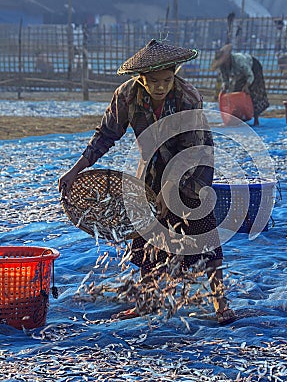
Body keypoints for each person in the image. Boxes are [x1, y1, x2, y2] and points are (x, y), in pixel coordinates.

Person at [58, 39, 236, 325]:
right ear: (140, 78)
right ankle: (147, 301)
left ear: (175, 73)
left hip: (193, 165)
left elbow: (189, 149)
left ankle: (220, 301)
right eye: (154, 81)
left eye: (167, 79)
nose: (161, 86)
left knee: (202, 231)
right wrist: (75, 170)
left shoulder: (188, 97)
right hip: (150, 166)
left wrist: (170, 192)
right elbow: (105, 135)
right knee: (146, 234)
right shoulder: (126, 96)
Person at [210, 44, 269, 126]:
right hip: (240, 74)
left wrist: (247, 85)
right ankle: (240, 116)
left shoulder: (239, 61)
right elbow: (225, 79)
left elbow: (250, 75)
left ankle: (256, 119)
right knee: (236, 91)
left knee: (253, 91)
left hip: (253, 68)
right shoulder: (222, 67)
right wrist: (224, 88)